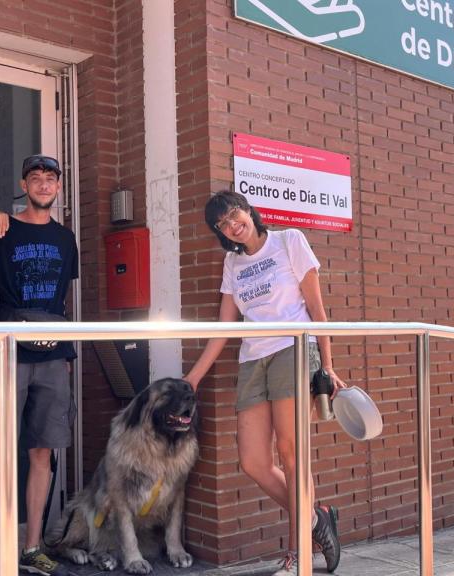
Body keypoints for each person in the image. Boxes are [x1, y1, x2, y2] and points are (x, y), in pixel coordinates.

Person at [184, 191, 346, 576]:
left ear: (248, 210)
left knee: (291, 452)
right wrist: (194, 376)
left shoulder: (289, 241)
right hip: (252, 359)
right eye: (221, 224)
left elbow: (317, 309)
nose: (231, 224)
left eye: (233, 214)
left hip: (293, 348)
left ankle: (297, 553)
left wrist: (328, 364)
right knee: (253, 460)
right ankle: (315, 518)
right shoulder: (232, 262)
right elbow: (225, 327)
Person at [0, 154, 78, 576]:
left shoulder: (65, 237)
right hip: (9, 347)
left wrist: (68, 354)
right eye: (35, 178)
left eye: (50, 179)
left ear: (58, 187)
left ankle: (31, 545)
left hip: (54, 353)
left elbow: (64, 300)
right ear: (24, 184)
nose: (43, 184)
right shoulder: (1, 229)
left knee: (42, 452)